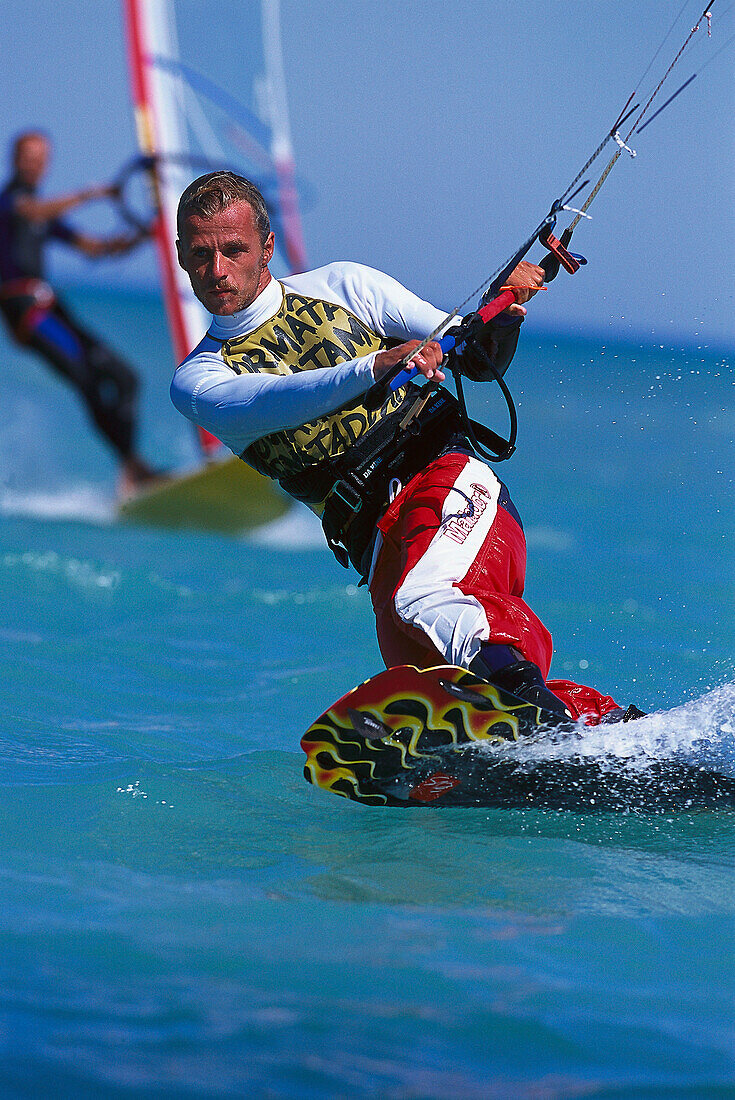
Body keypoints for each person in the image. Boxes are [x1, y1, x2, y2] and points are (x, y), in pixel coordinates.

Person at [171, 171, 630, 723]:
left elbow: (477, 360)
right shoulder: (199, 382)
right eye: (201, 255)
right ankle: (621, 739)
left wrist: (500, 317)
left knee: (428, 603)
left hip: (449, 488)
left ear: (267, 247)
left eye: (234, 250)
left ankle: (551, 736)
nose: (217, 270)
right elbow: (281, 398)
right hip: (381, 544)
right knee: (435, 686)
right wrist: (377, 363)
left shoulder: (345, 287)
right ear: (180, 257)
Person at [0, 130, 160, 493]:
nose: (37, 165)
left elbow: (95, 248)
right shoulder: (11, 203)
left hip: (52, 308)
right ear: (15, 160)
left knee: (125, 378)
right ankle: (133, 467)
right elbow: (34, 210)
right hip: (26, 312)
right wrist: (91, 193)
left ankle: (131, 466)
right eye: (30, 157)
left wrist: (145, 235)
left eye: (43, 158)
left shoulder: (44, 217)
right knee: (85, 379)